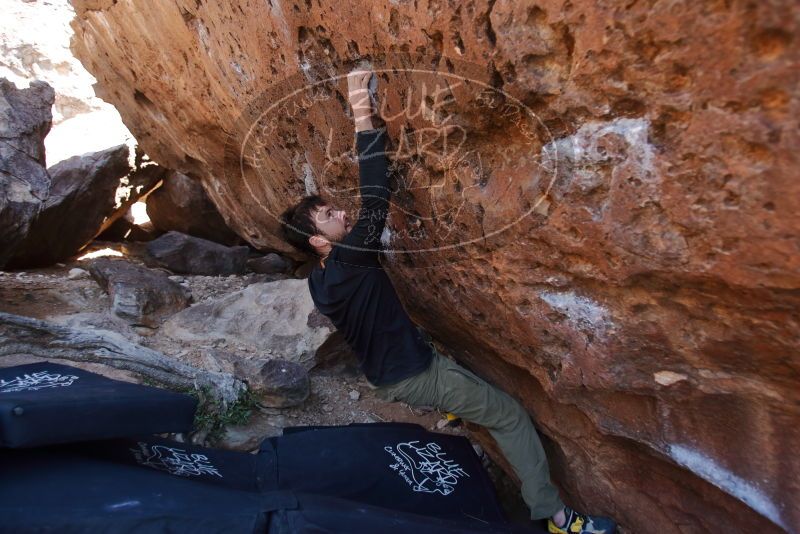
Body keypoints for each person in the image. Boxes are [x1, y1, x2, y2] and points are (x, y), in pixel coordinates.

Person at [280, 67, 617, 534]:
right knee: (511, 417)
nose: (338, 211)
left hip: (393, 370)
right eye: (326, 216)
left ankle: (455, 403)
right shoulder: (350, 258)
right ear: (320, 243)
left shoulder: (321, 279)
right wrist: (361, 110)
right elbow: (375, 193)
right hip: (414, 375)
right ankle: (556, 517)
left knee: (444, 359)